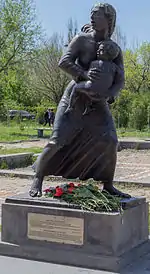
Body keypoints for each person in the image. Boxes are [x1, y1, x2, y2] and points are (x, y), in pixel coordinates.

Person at [29, 3, 130, 198]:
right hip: (74, 98)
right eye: (91, 15)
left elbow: (121, 80)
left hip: (98, 102)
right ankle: (38, 178)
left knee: (110, 140)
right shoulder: (81, 40)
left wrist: (110, 95)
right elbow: (64, 62)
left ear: (108, 20)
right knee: (57, 140)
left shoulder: (114, 49)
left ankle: (108, 184)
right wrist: (85, 76)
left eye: (97, 15)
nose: (92, 18)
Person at [65, 40, 120, 115]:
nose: (98, 51)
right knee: (91, 92)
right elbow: (117, 79)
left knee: (76, 88)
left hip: (91, 87)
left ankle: (70, 106)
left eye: (100, 50)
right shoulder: (115, 67)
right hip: (104, 91)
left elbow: (89, 75)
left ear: (107, 53)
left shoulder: (94, 63)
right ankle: (88, 108)